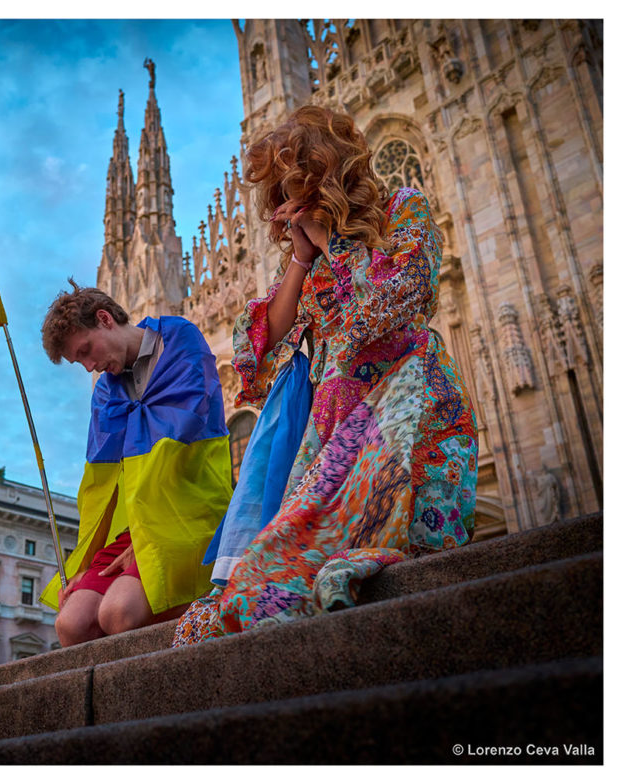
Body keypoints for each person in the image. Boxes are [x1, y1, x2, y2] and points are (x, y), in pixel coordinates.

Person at [172, 105, 477, 646]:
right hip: (333, 430)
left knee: (414, 568)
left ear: (324, 175)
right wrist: (299, 257)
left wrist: (330, 239)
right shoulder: (309, 262)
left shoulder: (402, 211)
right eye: (281, 195)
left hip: (405, 407)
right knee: (283, 568)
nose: (287, 205)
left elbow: (382, 311)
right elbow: (256, 355)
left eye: (295, 187)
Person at [38, 281, 231, 646]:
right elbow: (101, 486)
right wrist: (88, 562)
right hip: (137, 525)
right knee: (71, 625)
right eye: (81, 362)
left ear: (105, 319)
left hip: (188, 513)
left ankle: (211, 613)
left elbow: (181, 442)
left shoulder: (178, 340)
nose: (90, 366)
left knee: (118, 613)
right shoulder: (106, 392)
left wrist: (149, 539)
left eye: (86, 351)